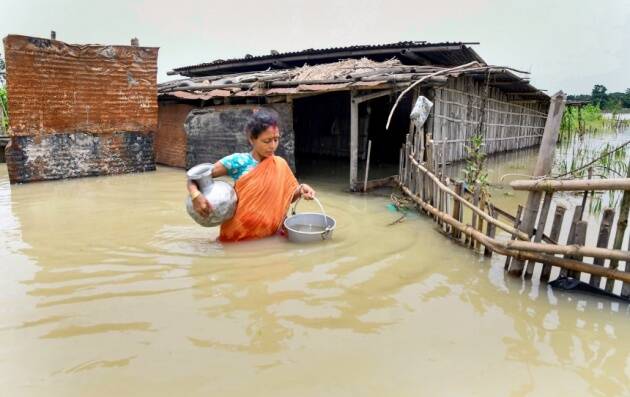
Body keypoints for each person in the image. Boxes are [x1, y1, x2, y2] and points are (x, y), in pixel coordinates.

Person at [187, 109, 316, 242]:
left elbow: (287, 198)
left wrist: (301, 190)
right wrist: (195, 195)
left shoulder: (280, 164)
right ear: (252, 139)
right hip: (237, 237)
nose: (273, 146)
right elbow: (194, 178)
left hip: (271, 236)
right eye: (267, 141)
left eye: (276, 139)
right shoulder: (238, 161)